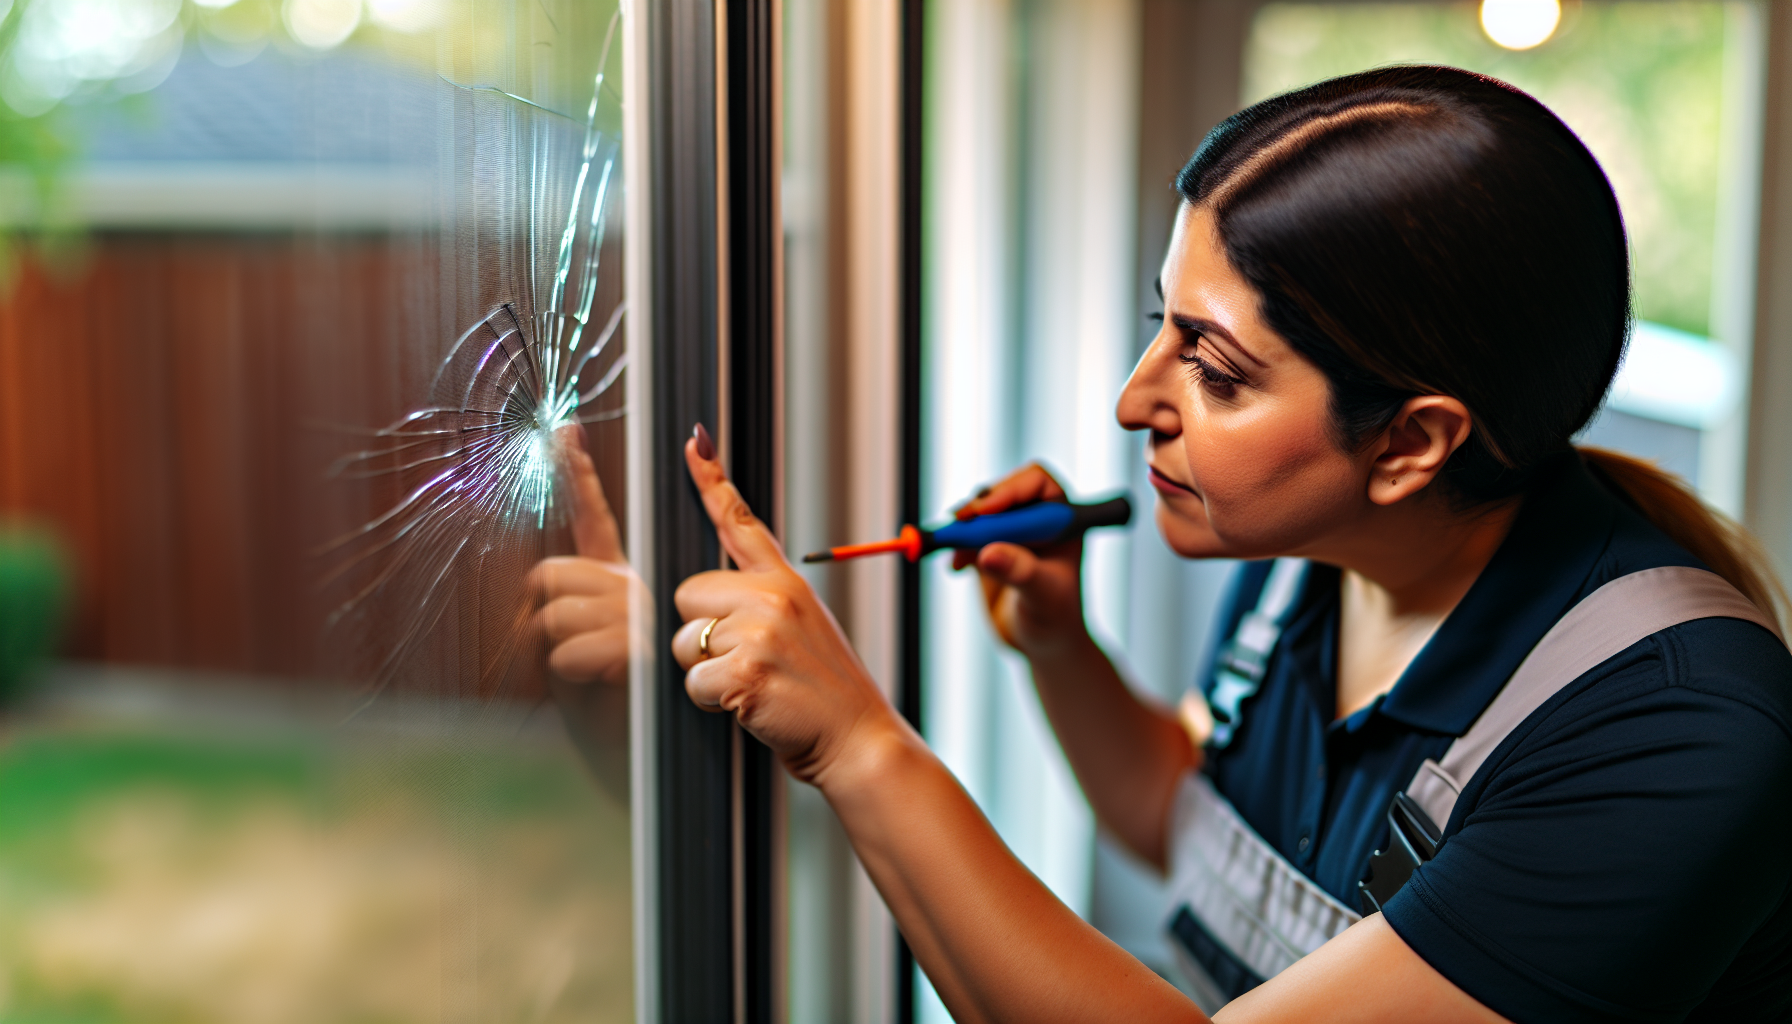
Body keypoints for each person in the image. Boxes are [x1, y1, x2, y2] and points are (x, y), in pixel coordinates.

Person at [535, 66, 1792, 1022]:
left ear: (1410, 443)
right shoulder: (1329, 549)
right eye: (1161, 325)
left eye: (1216, 369)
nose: (1137, 400)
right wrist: (1055, 641)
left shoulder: (1677, 742)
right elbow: (1186, 824)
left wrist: (860, 744)